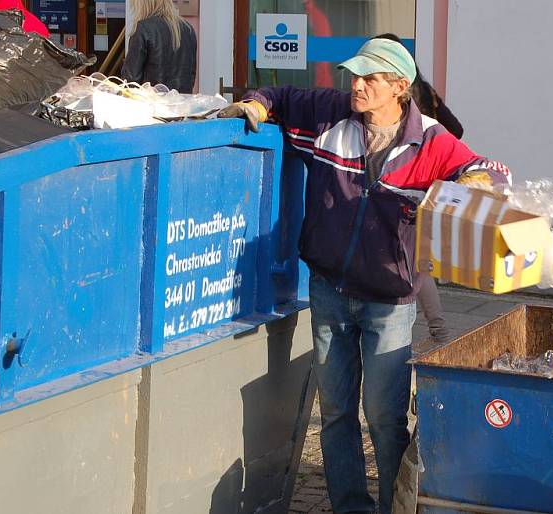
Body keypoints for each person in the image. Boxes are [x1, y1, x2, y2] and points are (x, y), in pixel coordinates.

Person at [218, 38, 510, 514]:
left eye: (369, 79)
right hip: (329, 288)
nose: (356, 85)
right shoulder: (332, 113)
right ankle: (351, 506)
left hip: (389, 300)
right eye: (355, 75)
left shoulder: (432, 140)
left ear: (399, 87)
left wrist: (472, 183)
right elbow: (281, 97)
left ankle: (396, 505)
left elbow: (489, 170)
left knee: (383, 415)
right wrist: (256, 102)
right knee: (334, 413)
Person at [374, 33, 462, 345]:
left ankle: (436, 329)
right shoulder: (425, 89)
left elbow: (454, 133)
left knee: (416, 261)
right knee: (416, 258)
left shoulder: (409, 96)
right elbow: (458, 129)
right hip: (425, 185)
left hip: (409, 183)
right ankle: (432, 329)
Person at [121, 0, 196, 93]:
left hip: (152, 103)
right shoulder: (188, 29)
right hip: (182, 104)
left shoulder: (143, 28)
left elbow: (131, 81)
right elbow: (190, 75)